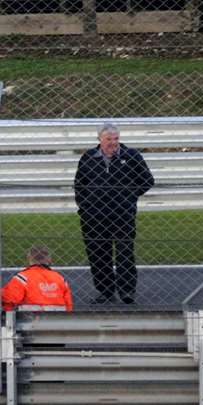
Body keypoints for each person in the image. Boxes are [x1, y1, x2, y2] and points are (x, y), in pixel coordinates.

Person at [73, 124, 154, 305]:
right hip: (94, 218)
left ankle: (127, 292)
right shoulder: (88, 158)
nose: (113, 143)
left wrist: (129, 196)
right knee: (98, 255)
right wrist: (84, 208)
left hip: (122, 216)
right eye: (109, 139)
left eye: (116, 139)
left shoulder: (132, 156)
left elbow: (148, 180)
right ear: (99, 140)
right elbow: (79, 185)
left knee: (125, 254)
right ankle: (105, 291)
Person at [0, 246, 74, 313]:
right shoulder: (60, 278)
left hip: (30, 324)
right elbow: (68, 306)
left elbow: (8, 301)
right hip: (58, 323)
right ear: (49, 259)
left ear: (29, 258)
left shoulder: (22, 278)